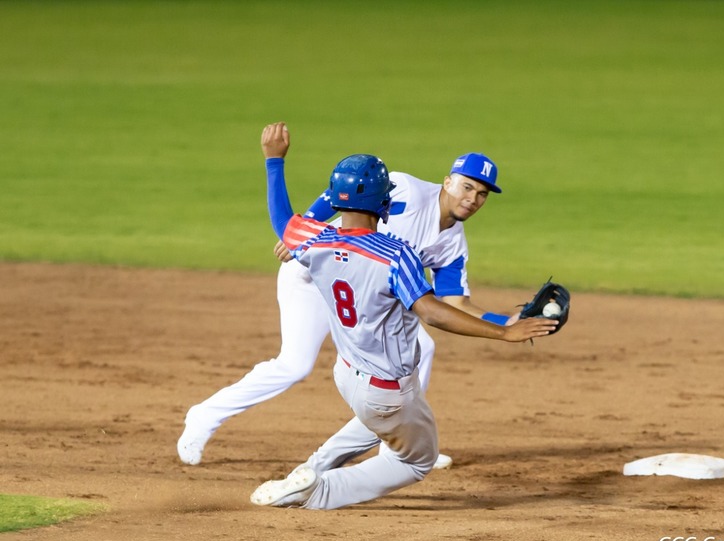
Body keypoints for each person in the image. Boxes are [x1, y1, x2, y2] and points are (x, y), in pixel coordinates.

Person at [248, 122, 555, 509]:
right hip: (388, 387)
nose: (474, 198)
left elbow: (283, 220)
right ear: (385, 205)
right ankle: (316, 492)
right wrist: (503, 334)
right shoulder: (396, 255)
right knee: (415, 459)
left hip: (347, 371)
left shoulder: (315, 240)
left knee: (379, 422)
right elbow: (433, 312)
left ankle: (311, 468)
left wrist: (274, 161)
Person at [178, 128, 522, 471]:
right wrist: (304, 228)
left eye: (481, 194)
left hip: (366, 301)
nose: (472, 199)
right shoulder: (406, 189)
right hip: (313, 279)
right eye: (467, 186)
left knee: (424, 348)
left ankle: (396, 446)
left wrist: (506, 322)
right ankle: (203, 417)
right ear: (448, 182)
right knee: (294, 365)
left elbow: (454, 302)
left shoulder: (452, 244)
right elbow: (343, 192)